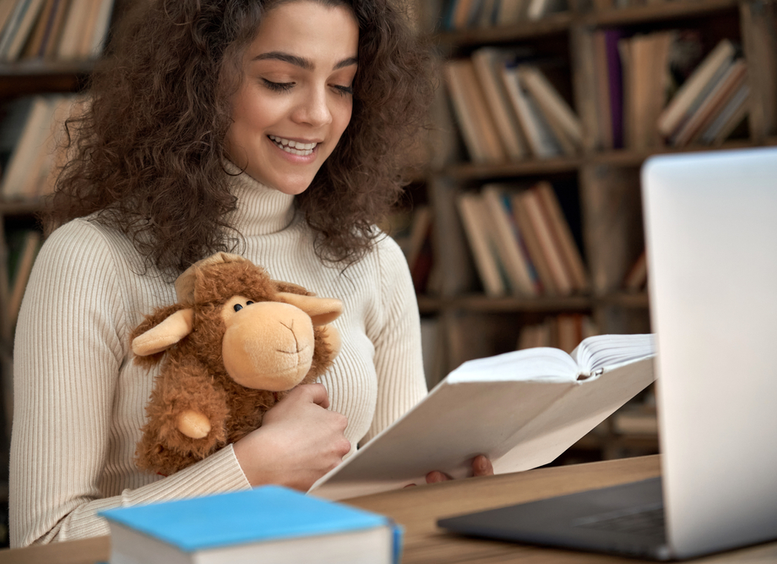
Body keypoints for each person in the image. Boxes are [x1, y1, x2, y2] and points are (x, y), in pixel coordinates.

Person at [9, 0, 493, 548]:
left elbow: (387, 495)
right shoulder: (90, 259)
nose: (318, 114)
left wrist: (440, 490)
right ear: (198, 81)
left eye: (342, 85)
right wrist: (250, 469)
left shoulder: (374, 259)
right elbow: (43, 542)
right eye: (281, 80)